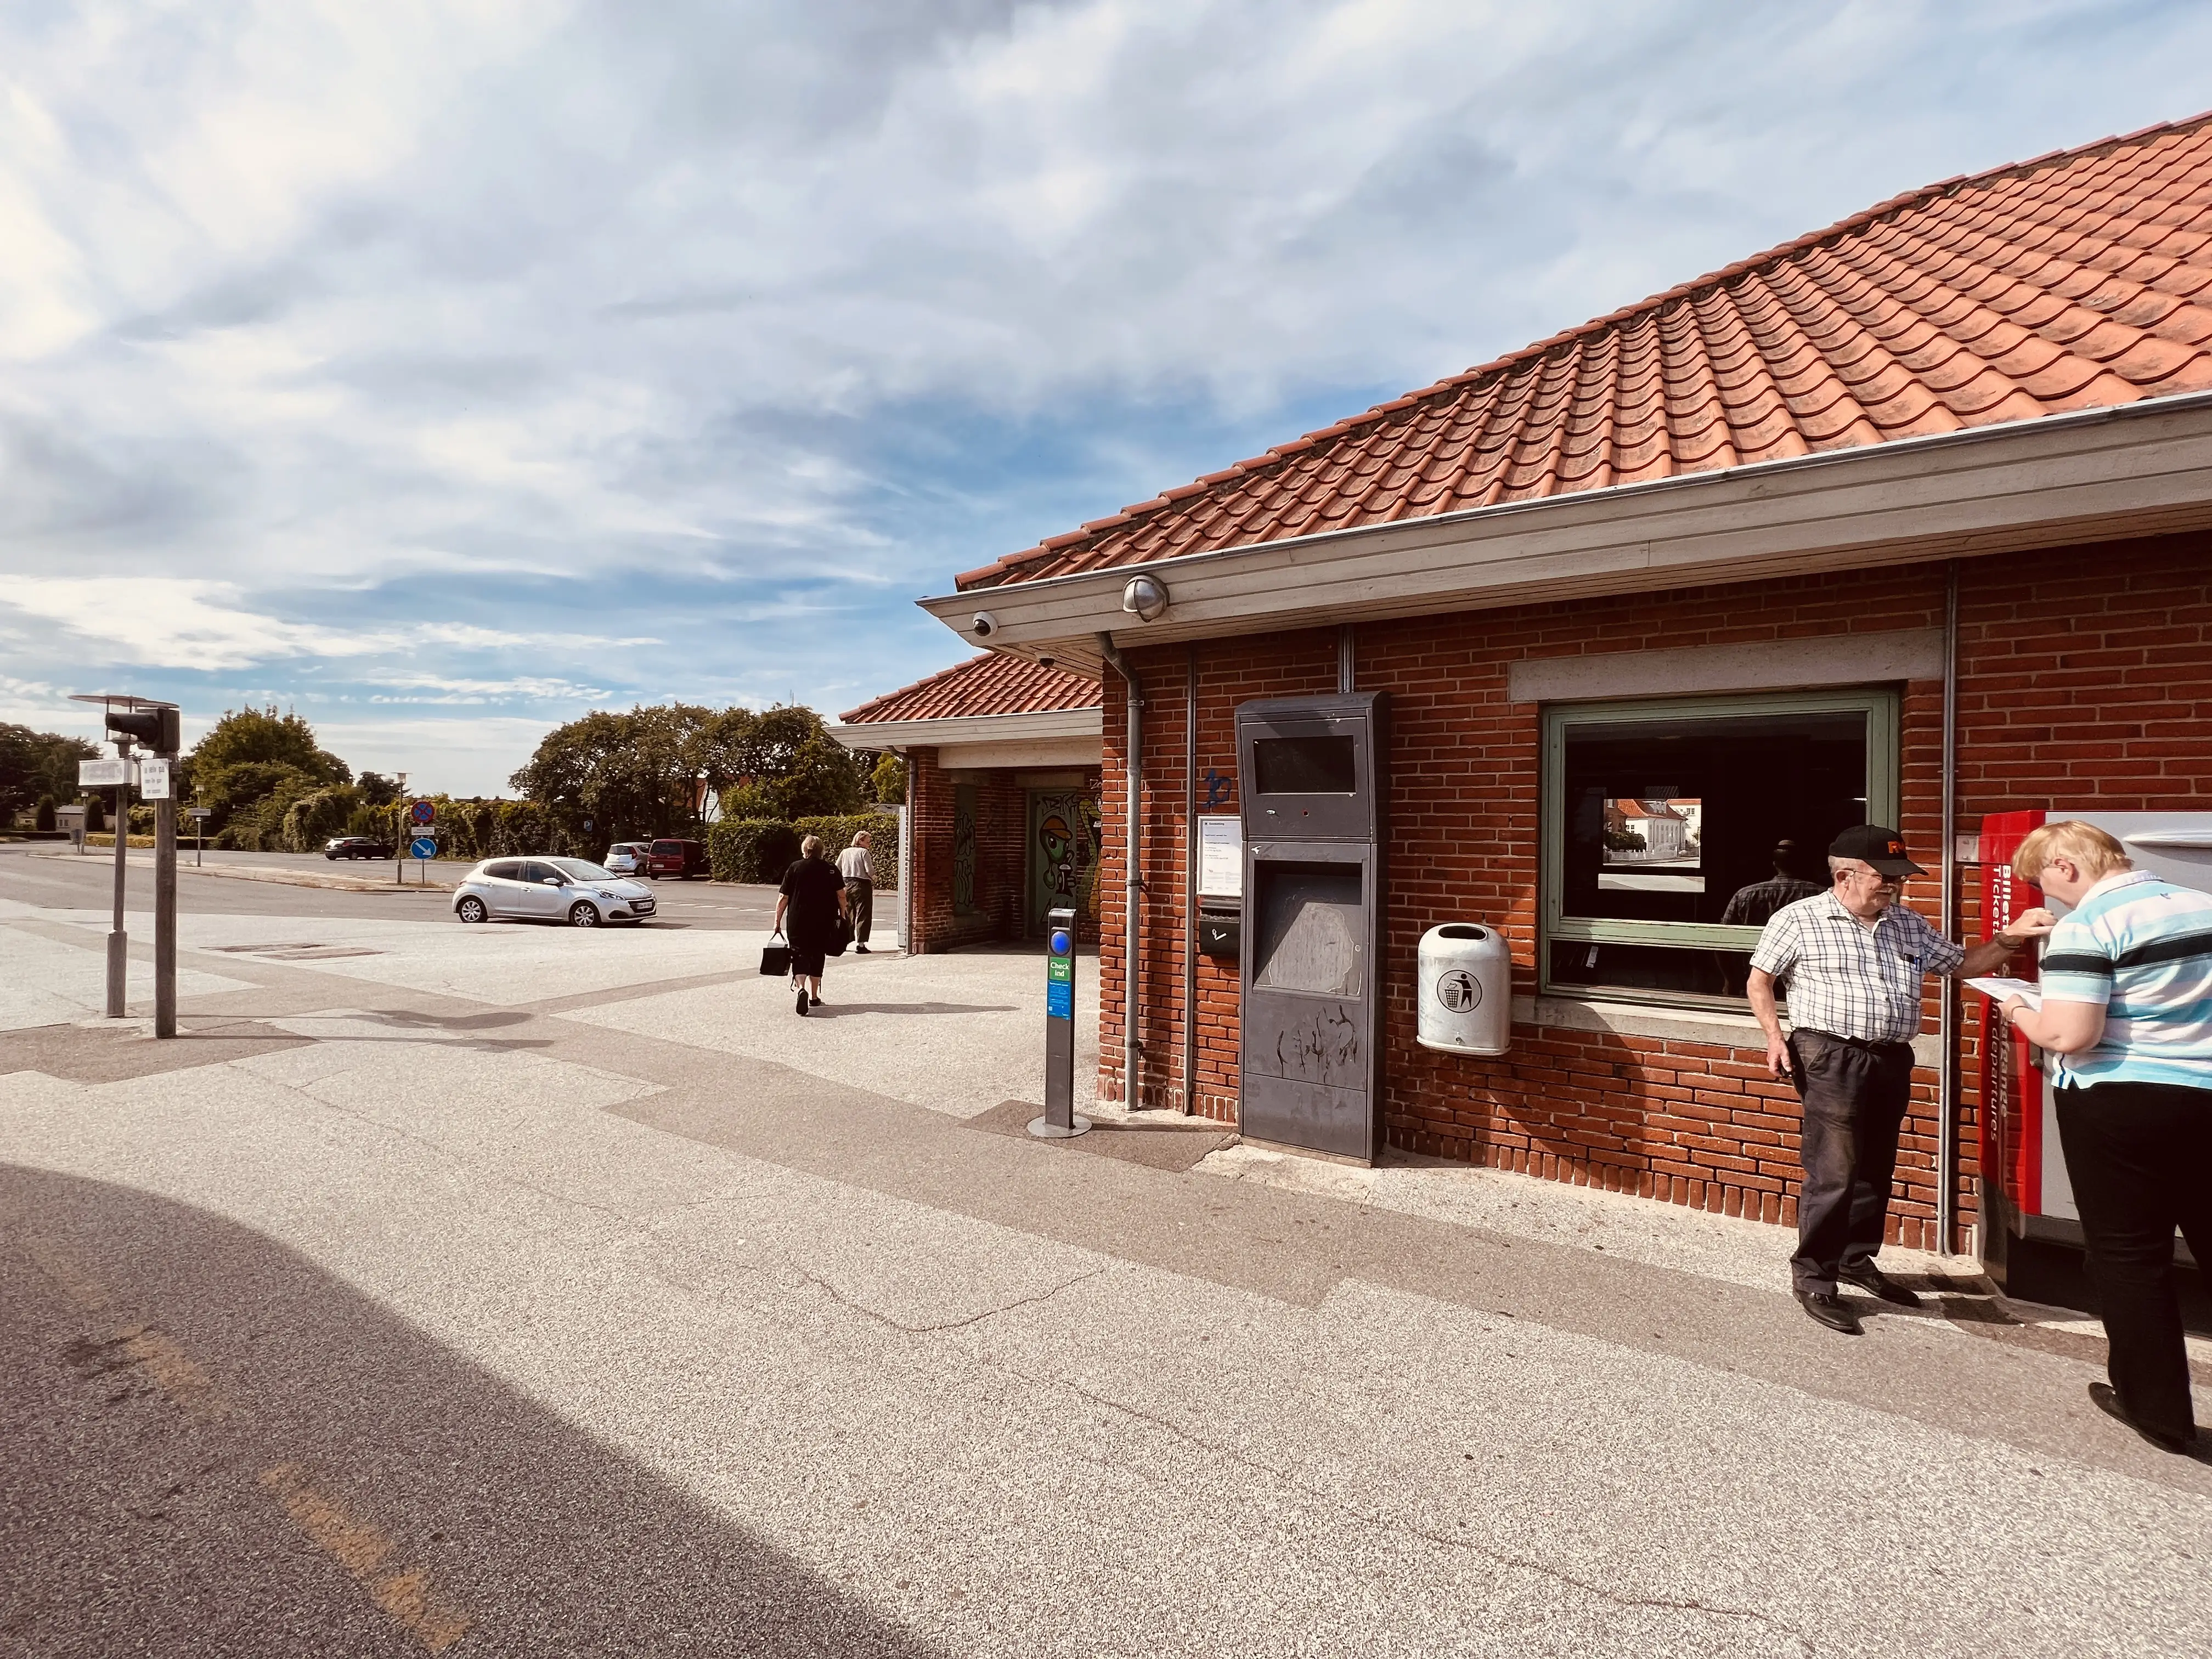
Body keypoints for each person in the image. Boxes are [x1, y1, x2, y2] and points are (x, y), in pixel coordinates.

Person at [1746, 825, 2038, 1335]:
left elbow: (1964, 964)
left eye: (1899, 878)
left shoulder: (1906, 923)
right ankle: (1815, 1276)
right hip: (1829, 1054)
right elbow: (1760, 980)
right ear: (1845, 876)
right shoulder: (1798, 919)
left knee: (1876, 1165)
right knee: (1835, 1169)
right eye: (1886, 878)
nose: (1895, 888)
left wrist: (2011, 938)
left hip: (1890, 1058)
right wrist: (1774, 1037)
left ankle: (1857, 1260)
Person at [1996, 821, 2212, 1457]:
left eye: (2045, 882)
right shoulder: (2201, 904)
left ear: (2066, 865)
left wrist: (2015, 1007)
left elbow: (2069, 1035)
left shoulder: (2089, 927)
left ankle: (2157, 1411)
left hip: (2121, 1103)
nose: (2051, 898)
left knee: (2129, 1257)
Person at [772, 834, 849, 1015]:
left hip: (798, 920)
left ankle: (801, 989)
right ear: (821, 851)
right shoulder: (830, 869)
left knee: (799, 953)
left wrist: (777, 922)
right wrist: (843, 915)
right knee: (818, 953)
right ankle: (814, 997)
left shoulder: (795, 868)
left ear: (804, 850)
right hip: (824, 920)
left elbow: (784, 897)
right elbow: (842, 895)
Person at [1720, 839, 1823, 927]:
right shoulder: (1821, 894)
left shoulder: (1745, 894)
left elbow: (1725, 932)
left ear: (1775, 864)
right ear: (1801, 864)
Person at [837, 831, 876, 953]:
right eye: (868, 841)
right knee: (863, 914)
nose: (869, 844)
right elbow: (869, 870)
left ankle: (845, 941)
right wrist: (874, 878)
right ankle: (861, 945)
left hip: (846, 884)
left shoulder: (845, 852)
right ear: (860, 841)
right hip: (862, 885)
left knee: (848, 914)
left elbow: (837, 867)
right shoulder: (864, 852)